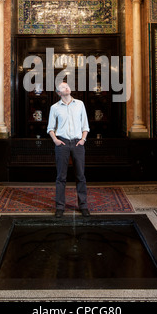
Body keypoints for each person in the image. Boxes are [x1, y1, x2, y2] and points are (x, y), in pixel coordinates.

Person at [47, 81, 90, 218]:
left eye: (68, 86)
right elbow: (50, 128)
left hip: (78, 143)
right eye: (64, 87)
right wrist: (55, 140)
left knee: (80, 176)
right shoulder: (54, 107)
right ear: (59, 93)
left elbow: (85, 125)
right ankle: (60, 207)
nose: (68, 88)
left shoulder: (80, 104)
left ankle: (83, 206)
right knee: (61, 177)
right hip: (62, 143)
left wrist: (83, 139)